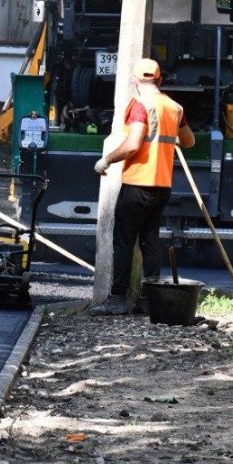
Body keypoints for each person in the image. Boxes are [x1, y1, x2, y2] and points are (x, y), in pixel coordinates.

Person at [89, 59, 195, 316]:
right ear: (159, 80)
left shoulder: (140, 105)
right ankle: (150, 301)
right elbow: (189, 141)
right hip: (162, 185)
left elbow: (133, 144)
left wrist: (106, 160)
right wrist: (167, 143)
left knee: (124, 240)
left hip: (137, 183)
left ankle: (117, 300)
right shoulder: (174, 107)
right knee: (150, 242)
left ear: (136, 81)